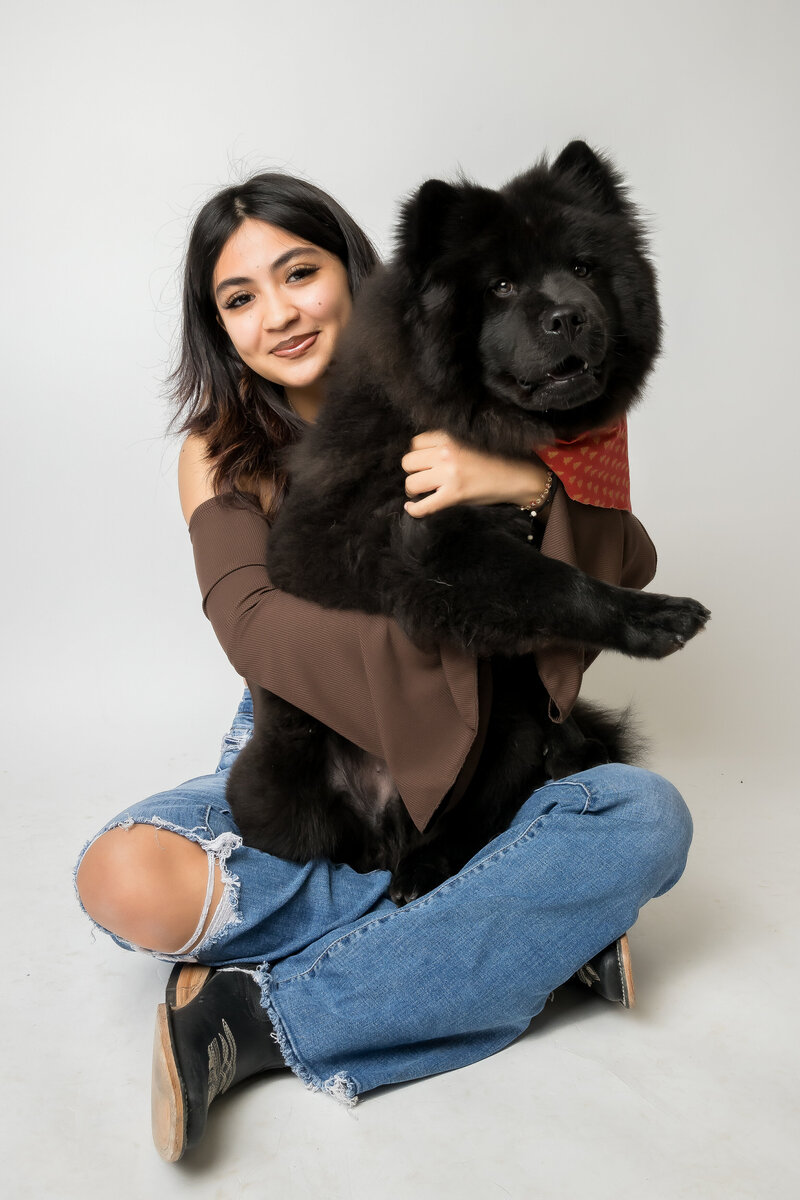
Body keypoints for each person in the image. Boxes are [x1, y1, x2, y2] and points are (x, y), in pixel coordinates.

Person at [74, 172, 693, 1163]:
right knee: (122, 878)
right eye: (239, 298)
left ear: (353, 269)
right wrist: (441, 650)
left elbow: (627, 566)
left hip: (498, 750)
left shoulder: (478, 377)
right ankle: (519, 927)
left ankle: (259, 1019)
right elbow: (253, 625)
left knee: (647, 819)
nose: (276, 313)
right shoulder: (221, 449)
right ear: (218, 327)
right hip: (314, 739)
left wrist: (523, 488)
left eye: (297, 273)